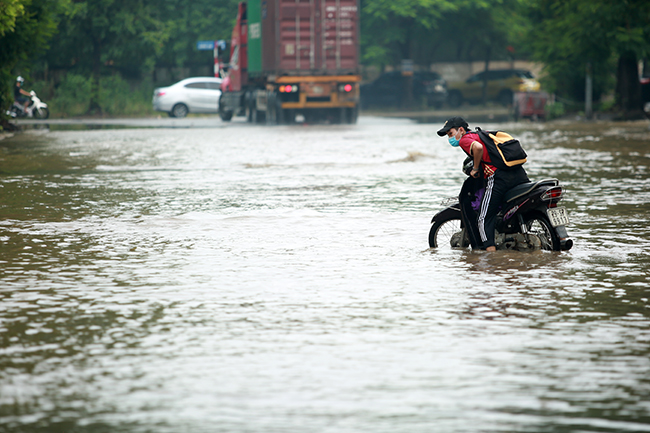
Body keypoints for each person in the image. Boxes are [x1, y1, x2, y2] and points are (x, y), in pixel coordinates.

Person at [437, 116, 530, 251]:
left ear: (461, 130)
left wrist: (475, 168)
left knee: (483, 217)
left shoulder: (465, 139)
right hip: (518, 173)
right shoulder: (481, 134)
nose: (449, 138)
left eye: (450, 133)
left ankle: (489, 257)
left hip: (499, 177)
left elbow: (478, 148)